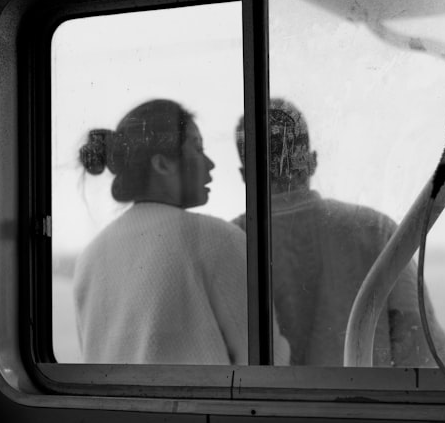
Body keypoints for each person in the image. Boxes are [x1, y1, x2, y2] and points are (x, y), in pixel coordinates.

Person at [232, 98, 445, 367]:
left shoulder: (231, 241)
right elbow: (419, 343)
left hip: (262, 408)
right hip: (363, 404)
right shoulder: (375, 230)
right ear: (311, 161)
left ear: (245, 174)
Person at [73, 98, 289, 365]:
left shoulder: (91, 257)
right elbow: (266, 363)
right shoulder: (216, 239)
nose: (210, 163)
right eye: (197, 149)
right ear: (162, 164)